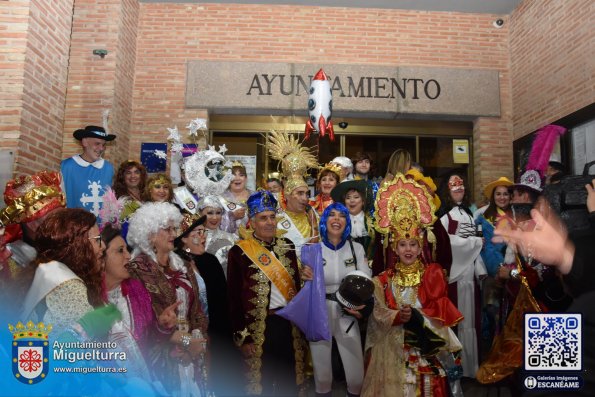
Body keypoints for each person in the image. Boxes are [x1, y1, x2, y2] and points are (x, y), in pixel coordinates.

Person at [362, 174, 463, 397]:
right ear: (394, 249)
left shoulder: (432, 274)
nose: (408, 250)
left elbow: (441, 315)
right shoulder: (383, 280)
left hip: (427, 348)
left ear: (421, 248)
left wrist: (420, 319)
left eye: (413, 245)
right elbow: (377, 314)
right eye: (402, 245)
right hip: (393, 351)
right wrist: (398, 317)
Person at [227, 190, 309, 396]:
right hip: (258, 329)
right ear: (252, 222)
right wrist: (243, 338)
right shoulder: (240, 252)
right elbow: (233, 299)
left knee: (289, 382)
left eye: (272, 217)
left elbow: (297, 291)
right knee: (260, 384)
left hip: (289, 327)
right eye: (263, 218)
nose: (270, 222)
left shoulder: (288, 247)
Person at [126, 202, 208, 397]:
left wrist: (196, 342)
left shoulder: (184, 265)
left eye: (174, 228)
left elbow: (197, 309)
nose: (173, 234)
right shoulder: (136, 270)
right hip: (161, 357)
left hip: (192, 356)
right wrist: (186, 343)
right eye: (167, 229)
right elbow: (142, 322)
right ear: (150, 234)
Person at [173, 213, 239, 395]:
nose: (204, 236)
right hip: (191, 335)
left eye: (204, 232)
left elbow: (224, 298)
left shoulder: (211, 260)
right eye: (198, 232)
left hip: (218, 333)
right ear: (184, 239)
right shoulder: (175, 264)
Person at [308, 203, 370, 397]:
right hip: (319, 314)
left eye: (341, 216)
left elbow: (367, 282)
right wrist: (304, 276)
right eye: (331, 215)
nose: (336, 219)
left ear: (347, 221)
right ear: (325, 221)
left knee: (356, 379)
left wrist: (362, 307)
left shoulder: (356, 248)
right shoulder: (312, 248)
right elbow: (302, 287)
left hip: (347, 315)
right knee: (323, 377)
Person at [101, 223, 175, 382]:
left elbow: (150, 343)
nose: (128, 256)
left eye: (127, 249)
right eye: (120, 251)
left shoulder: (137, 291)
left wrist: (162, 326)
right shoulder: (86, 299)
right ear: (100, 257)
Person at [21, 208, 105, 335]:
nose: (103, 245)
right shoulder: (67, 287)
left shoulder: (48, 272)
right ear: (77, 247)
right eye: (96, 239)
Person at [438, 172, 486, 378]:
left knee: (470, 321)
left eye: (461, 185)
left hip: (470, 275)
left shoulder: (468, 213)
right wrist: (474, 243)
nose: (459, 188)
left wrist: (480, 269)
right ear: (447, 191)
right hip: (456, 276)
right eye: (453, 185)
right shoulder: (444, 218)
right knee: (457, 322)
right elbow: (446, 244)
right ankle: (455, 371)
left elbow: (477, 241)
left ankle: (470, 368)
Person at [0, 171, 66, 307]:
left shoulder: (59, 249)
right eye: (55, 220)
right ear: (32, 223)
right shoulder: (8, 262)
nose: (63, 226)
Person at [267, 129, 320, 258]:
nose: (305, 198)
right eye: (300, 193)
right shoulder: (277, 220)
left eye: (307, 194)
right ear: (288, 195)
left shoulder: (314, 217)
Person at [60, 125, 116, 217]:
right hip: (73, 227)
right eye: (97, 144)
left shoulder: (109, 169)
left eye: (103, 145)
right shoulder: (67, 167)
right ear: (84, 142)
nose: (101, 148)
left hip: (102, 229)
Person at [330, 180, 375, 258]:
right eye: (348, 197)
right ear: (344, 202)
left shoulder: (373, 222)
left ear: (363, 201)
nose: (352, 200)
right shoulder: (338, 222)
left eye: (356, 197)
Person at [198, 195, 239, 277]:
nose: (215, 217)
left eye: (218, 213)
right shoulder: (194, 239)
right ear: (200, 213)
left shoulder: (232, 238)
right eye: (210, 213)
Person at [222, 161, 252, 231]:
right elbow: (215, 223)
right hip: (227, 239)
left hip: (252, 240)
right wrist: (233, 217)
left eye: (241, 175)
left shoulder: (255, 196)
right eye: (233, 175)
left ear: (246, 178)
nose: (237, 178)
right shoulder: (221, 198)